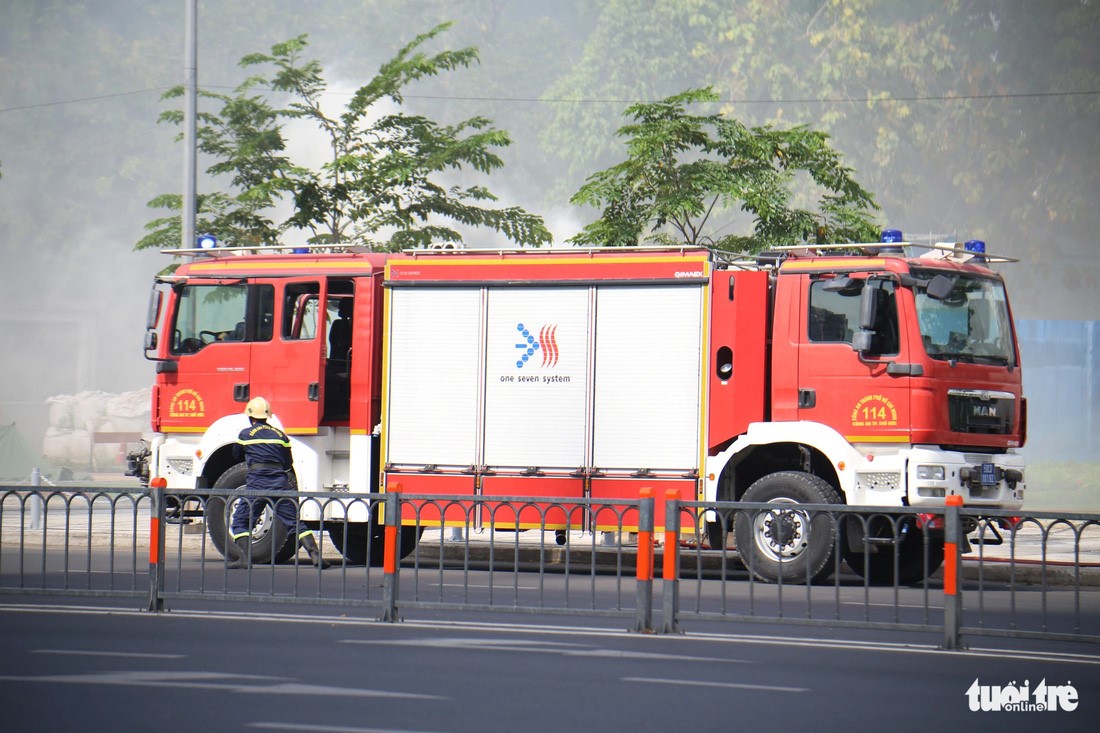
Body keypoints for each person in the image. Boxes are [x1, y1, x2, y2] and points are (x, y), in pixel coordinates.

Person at [226, 396, 329, 569]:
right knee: (294, 522)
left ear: (250, 416)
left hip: (256, 485)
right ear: (267, 416)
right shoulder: (281, 435)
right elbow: (288, 463)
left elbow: (235, 455)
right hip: (279, 483)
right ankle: (315, 555)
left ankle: (244, 559)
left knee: (240, 521)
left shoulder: (245, 434)